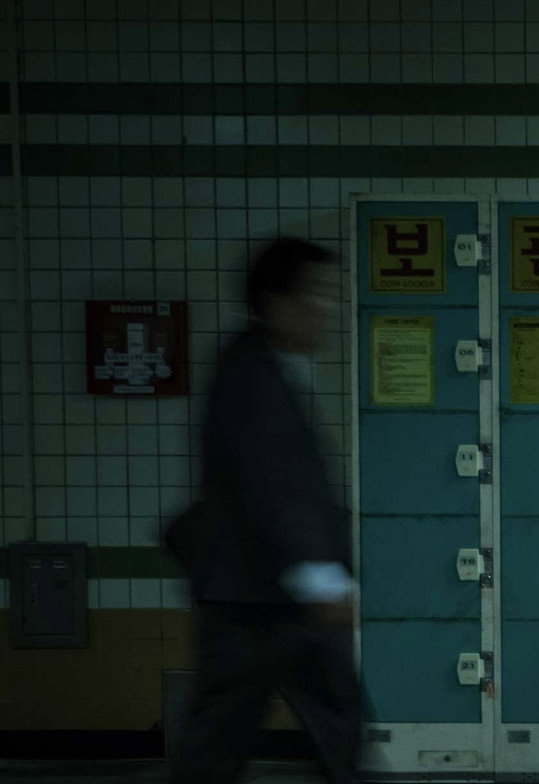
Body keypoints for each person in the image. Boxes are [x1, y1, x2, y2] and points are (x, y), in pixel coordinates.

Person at [166, 238, 362, 784]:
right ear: (277, 303)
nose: (329, 308)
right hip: (257, 600)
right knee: (232, 739)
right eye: (317, 294)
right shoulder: (253, 376)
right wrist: (322, 579)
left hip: (261, 597)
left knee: (331, 719)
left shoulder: (263, 364)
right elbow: (272, 486)